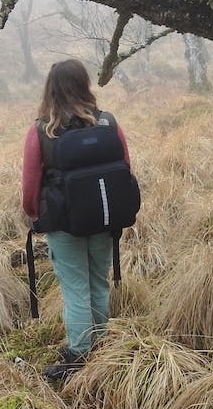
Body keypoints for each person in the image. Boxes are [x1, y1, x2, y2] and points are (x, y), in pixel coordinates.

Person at [21, 59, 132, 380]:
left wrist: (33, 213)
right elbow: (125, 168)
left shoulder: (42, 130)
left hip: (63, 223)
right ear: (85, 84)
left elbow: (30, 185)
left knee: (75, 291)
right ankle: (101, 347)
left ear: (50, 88)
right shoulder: (108, 123)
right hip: (105, 216)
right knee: (98, 282)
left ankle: (79, 355)